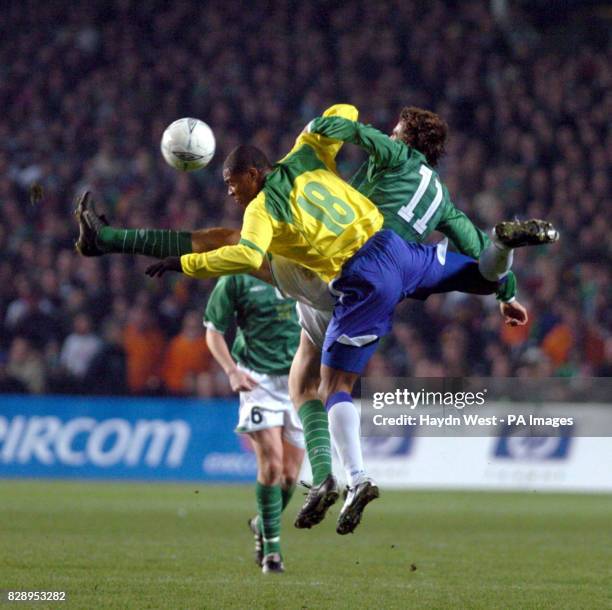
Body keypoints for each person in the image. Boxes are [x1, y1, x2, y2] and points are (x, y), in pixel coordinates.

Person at [75, 104, 558, 534]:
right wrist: (505, 291)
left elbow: (346, 127)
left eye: (394, 130)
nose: (388, 135)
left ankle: (331, 473)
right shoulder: (438, 195)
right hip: (401, 259)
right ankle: (505, 244)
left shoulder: (382, 157)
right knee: (470, 274)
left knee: (306, 378)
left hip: (339, 273)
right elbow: (473, 257)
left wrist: (326, 122)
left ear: (405, 139)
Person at [204, 274, 304, 574]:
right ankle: (272, 550)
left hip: (298, 380)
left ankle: (262, 522)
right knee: (272, 465)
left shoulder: (303, 264)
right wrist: (231, 371)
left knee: (289, 476)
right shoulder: (236, 277)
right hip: (256, 381)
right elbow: (213, 331)